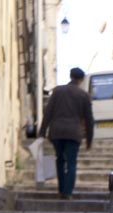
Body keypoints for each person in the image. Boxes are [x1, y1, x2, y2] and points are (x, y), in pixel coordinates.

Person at [39, 67, 94, 200]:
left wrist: (42, 131)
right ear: (81, 80)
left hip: (57, 132)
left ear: (70, 76)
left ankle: (61, 189)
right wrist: (89, 140)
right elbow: (89, 119)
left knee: (60, 160)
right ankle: (67, 192)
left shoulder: (57, 91)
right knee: (71, 163)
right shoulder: (84, 95)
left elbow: (48, 112)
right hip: (73, 133)